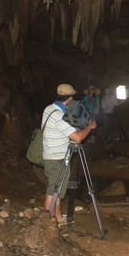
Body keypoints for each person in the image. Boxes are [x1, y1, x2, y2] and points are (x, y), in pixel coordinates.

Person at [42, 83, 96, 224]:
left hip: (57, 155)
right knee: (53, 190)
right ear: (70, 98)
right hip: (55, 157)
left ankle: (58, 217)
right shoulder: (59, 115)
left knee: (58, 189)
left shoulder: (49, 108)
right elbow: (77, 138)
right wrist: (89, 126)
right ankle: (46, 223)